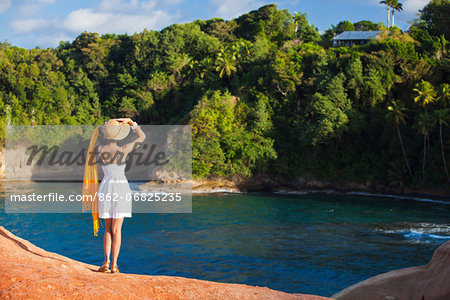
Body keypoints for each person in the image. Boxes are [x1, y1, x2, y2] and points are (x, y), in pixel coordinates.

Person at [95, 118, 146, 273]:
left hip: (106, 187)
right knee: (117, 229)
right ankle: (114, 265)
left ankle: (105, 262)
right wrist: (132, 123)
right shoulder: (124, 149)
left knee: (108, 229)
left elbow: (96, 135)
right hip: (120, 188)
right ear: (119, 135)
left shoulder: (100, 149)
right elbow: (142, 137)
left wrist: (103, 128)